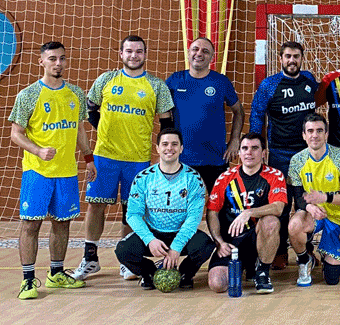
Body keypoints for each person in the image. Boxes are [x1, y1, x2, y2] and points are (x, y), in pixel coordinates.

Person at [75, 35, 175, 281]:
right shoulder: (106, 79)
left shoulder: (156, 85)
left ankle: (126, 260)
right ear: (121, 54)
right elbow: (90, 109)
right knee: (95, 205)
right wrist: (105, 132)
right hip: (105, 156)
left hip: (138, 159)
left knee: (132, 210)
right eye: (129, 51)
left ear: (145, 54)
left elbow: (166, 123)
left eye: (139, 51)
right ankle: (90, 258)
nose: (134, 55)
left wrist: (163, 153)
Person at [10, 41, 91, 300]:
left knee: (62, 223)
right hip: (37, 172)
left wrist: (89, 158)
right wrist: (38, 151)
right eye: (53, 59)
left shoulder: (76, 94)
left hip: (66, 172)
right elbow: (16, 134)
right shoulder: (29, 95)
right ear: (41, 62)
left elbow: (79, 129)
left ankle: (56, 273)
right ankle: (27, 279)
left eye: (62, 59)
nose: (58, 63)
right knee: (31, 224)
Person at [114, 129, 215, 290]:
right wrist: (149, 239)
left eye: (174, 144)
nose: (170, 148)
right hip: (154, 233)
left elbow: (193, 218)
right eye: (165, 144)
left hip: (180, 232)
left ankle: (184, 273)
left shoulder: (193, 178)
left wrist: (176, 247)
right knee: (123, 250)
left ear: (181, 148)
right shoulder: (143, 177)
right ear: (157, 148)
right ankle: (150, 274)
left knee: (206, 245)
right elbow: (132, 215)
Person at [250, 40, 317, 268]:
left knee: (305, 202)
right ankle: (278, 252)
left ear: (301, 58)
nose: (292, 60)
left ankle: (306, 250)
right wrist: (255, 145)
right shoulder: (269, 85)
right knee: (281, 203)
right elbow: (257, 115)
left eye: (296, 56)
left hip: (307, 155)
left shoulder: (309, 80)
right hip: (279, 154)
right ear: (280, 59)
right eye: (287, 56)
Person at [206, 132, 286, 294]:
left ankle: (262, 271)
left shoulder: (274, 175)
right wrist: (219, 242)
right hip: (232, 243)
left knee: (271, 221)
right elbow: (212, 213)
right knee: (217, 284)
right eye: (245, 148)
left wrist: (249, 213)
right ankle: (243, 267)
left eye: (255, 148)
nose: (249, 152)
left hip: (258, 240)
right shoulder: (225, 178)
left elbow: (278, 208)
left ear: (263, 153)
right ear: (239, 153)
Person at [287, 115, 340, 286]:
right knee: (294, 225)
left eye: (319, 130)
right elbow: (298, 196)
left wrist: (325, 197)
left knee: (332, 279)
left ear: (326, 134)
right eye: (310, 131)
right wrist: (309, 207)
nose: (315, 135)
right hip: (314, 214)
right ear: (304, 135)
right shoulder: (297, 160)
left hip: (338, 218)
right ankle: (305, 260)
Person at [167, 37, 245, 191]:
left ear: (212, 57)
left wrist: (235, 139)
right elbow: (159, 108)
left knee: (217, 209)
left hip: (215, 158)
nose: (199, 53)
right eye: (195, 49)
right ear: (189, 53)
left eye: (205, 51)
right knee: (181, 209)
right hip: (181, 159)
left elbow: (239, 111)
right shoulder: (175, 80)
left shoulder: (221, 81)